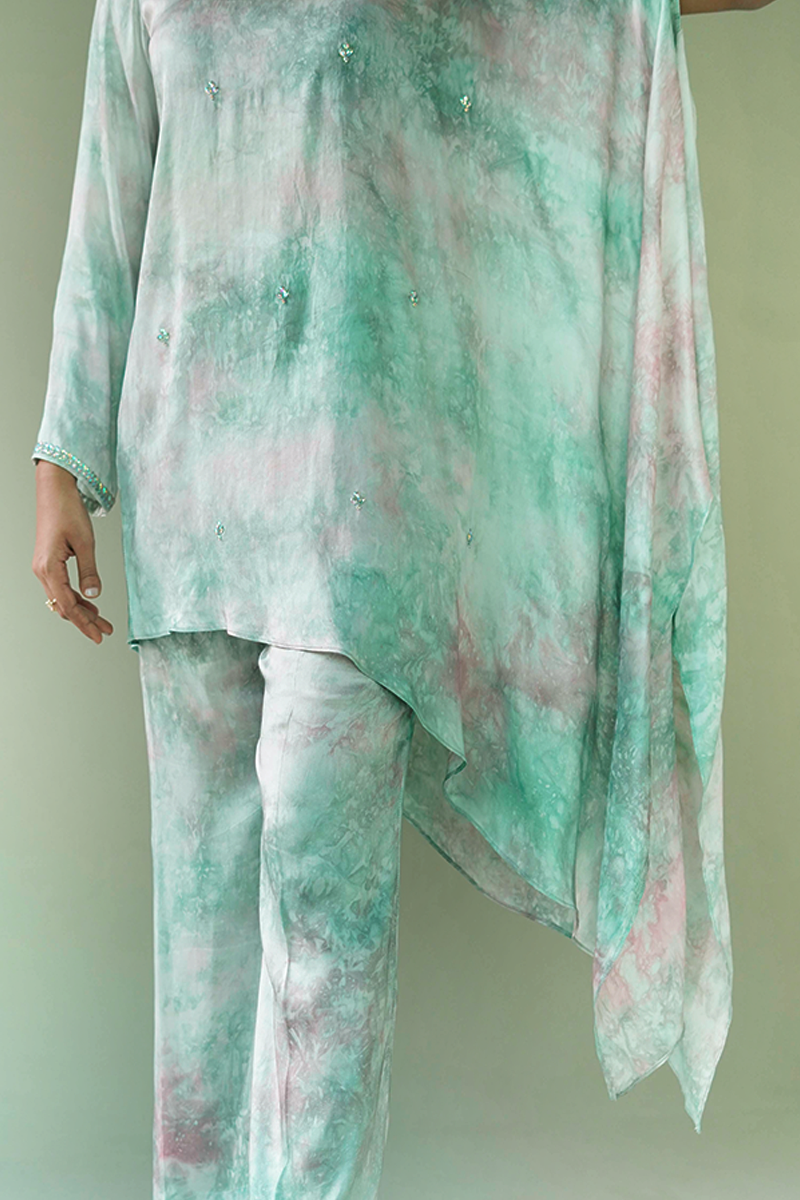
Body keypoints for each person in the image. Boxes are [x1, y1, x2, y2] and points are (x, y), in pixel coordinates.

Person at [29, 0, 775, 1196]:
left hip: (356, 514)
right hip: (189, 490)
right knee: (203, 940)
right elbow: (110, 185)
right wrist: (61, 462)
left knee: (324, 928)